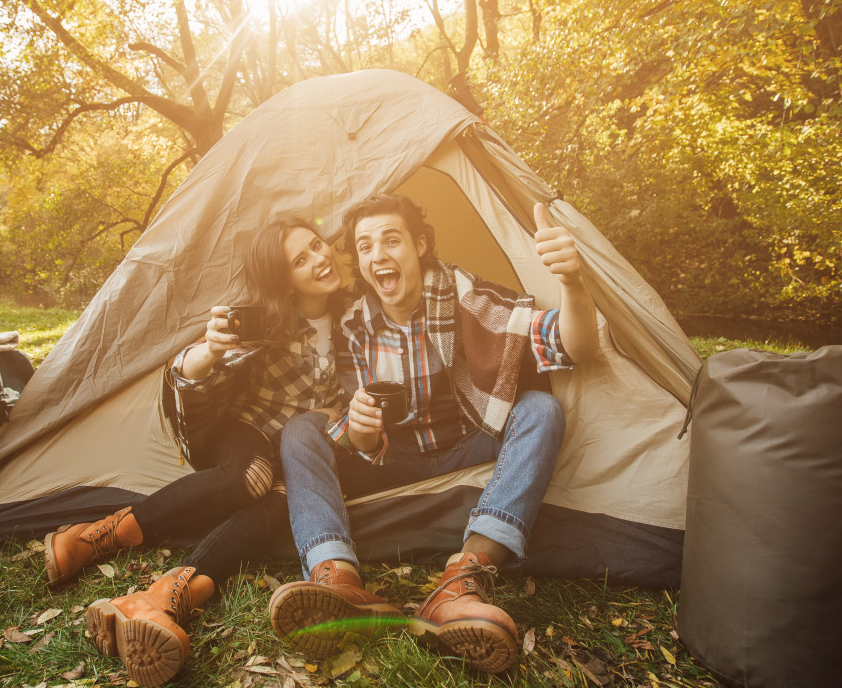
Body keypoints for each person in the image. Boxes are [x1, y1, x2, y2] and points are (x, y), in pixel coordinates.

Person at [268, 194, 600, 674]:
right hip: (395, 456)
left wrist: (572, 281)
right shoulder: (353, 325)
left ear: (419, 245)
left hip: (471, 441)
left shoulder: (468, 297)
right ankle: (336, 578)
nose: (377, 254)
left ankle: (463, 580)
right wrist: (360, 433)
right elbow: (357, 437)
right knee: (301, 430)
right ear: (359, 262)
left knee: (541, 408)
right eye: (364, 246)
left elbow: (576, 346)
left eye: (390, 239)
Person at [41, 216, 347, 687]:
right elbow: (194, 367)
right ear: (284, 279)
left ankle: (163, 598)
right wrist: (208, 350)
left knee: (279, 503)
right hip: (247, 430)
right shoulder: (271, 320)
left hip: (298, 447)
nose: (319, 259)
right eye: (300, 260)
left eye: (317, 245)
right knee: (253, 476)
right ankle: (99, 535)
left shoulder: (356, 314)